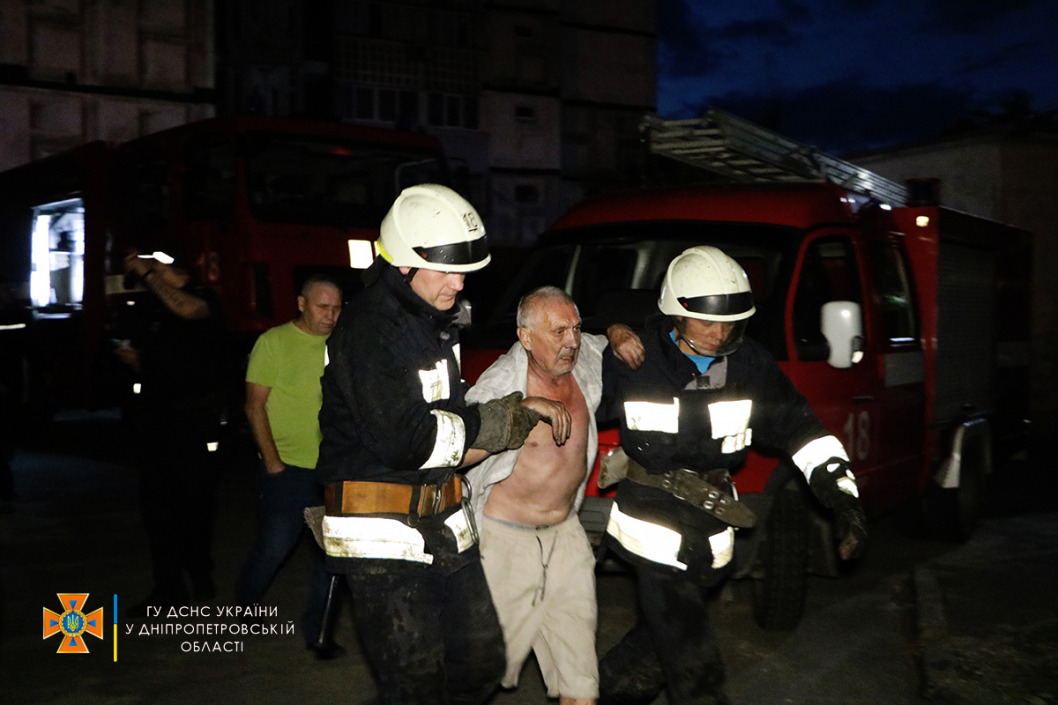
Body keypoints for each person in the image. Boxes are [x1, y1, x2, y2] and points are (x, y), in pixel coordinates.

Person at [315, 183, 559, 705]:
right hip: (381, 532)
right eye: (446, 270)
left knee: (481, 662)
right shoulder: (370, 329)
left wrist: (496, 420)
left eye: (464, 270)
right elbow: (410, 441)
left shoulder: (431, 321)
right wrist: (501, 423)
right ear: (404, 263)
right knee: (416, 685)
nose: (459, 281)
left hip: (441, 519)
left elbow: (447, 414)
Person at [597, 245, 868, 705]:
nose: (719, 334)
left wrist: (843, 499)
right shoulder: (633, 358)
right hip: (652, 524)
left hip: (712, 523)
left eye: (729, 323)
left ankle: (607, 691)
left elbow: (801, 430)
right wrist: (612, 327)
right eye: (706, 323)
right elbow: (569, 368)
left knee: (659, 639)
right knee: (689, 648)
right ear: (677, 314)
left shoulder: (750, 365)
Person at [465, 286, 643, 705]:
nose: (572, 341)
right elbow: (459, 451)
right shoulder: (501, 382)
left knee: (580, 681)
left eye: (575, 329)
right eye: (559, 331)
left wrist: (617, 330)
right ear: (525, 337)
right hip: (504, 545)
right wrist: (523, 410)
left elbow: (605, 339)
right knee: (476, 674)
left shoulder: (583, 361)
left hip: (566, 539)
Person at [236, 273, 345, 658]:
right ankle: (245, 606)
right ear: (301, 304)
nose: (331, 315)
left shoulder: (341, 345)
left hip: (333, 469)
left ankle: (319, 633)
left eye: (337, 308)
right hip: (287, 469)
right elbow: (254, 407)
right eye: (322, 307)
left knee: (333, 554)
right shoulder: (274, 342)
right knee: (275, 547)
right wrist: (273, 463)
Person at [117, 248, 225, 617]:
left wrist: (148, 273)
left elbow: (189, 310)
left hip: (194, 421)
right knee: (159, 508)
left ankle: (199, 572)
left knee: (197, 501)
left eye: (152, 261)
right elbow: (165, 363)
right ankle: (169, 589)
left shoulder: (202, 296)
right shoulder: (154, 309)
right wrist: (137, 362)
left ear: (165, 263)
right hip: (156, 423)